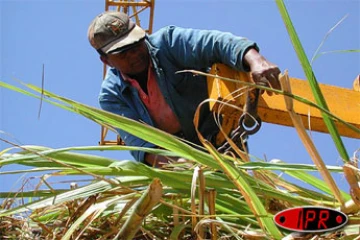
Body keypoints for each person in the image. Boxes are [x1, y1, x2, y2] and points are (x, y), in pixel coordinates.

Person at [87, 11, 281, 167]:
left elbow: (216, 43)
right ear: (106, 60)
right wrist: (186, 167)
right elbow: (144, 149)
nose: (134, 54)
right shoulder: (111, 96)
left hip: (221, 139)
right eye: (123, 52)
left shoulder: (168, 43)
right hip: (178, 161)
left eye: (137, 44)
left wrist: (256, 61)